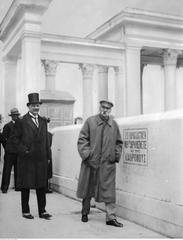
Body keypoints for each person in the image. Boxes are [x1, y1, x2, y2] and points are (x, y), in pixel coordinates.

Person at [76, 100, 123, 227]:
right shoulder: (90, 121)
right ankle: (85, 212)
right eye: (103, 107)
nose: (105, 110)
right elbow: (82, 139)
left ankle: (111, 218)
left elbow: (119, 142)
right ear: (99, 107)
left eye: (108, 108)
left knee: (109, 191)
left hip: (107, 164)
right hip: (91, 163)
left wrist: (115, 156)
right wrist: (87, 155)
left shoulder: (113, 124)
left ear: (111, 110)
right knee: (88, 188)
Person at [13, 93, 52, 220]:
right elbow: (14, 140)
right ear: (28, 106)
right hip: (27, 159)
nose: (36, 108)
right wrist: (25, 151)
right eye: (33, 105)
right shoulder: (21, 121)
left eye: (37, 105)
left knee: (41, 185)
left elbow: (46, 139)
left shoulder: (43, 121)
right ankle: (25, 211)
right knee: (26, 185)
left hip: (41, 159)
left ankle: (42, 211)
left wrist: (47, 156)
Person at [1, 108, 20, 193]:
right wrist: (7, 148)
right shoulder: (7, 126)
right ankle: (4, 188)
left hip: (18, 152)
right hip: (9, 153)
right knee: (7, 170)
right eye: (13, 115)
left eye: (16, 115)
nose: (15, 117)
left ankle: (18, 187)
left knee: (18, 169)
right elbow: (3, 139)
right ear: (11, 116)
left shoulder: (21, 126)